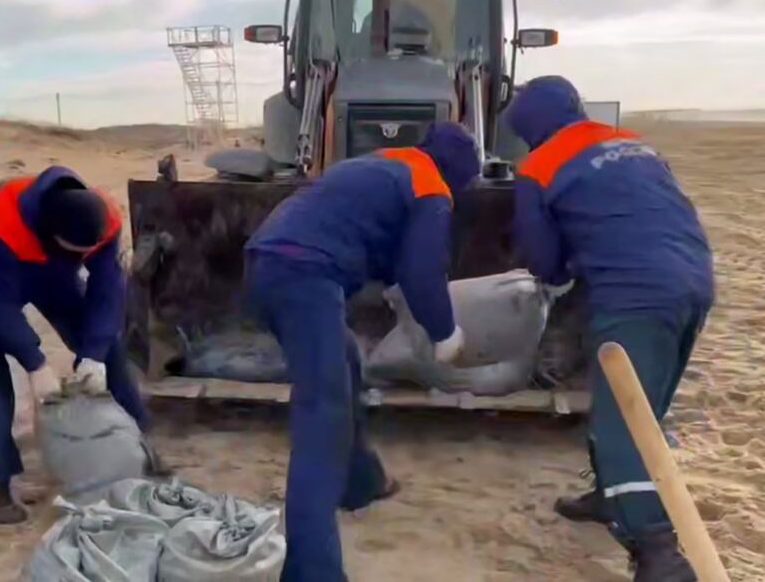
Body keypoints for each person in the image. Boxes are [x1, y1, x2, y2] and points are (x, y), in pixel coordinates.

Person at [244, 122, 479, 582]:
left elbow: (371, 233)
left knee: (347, 361)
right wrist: (444, 331)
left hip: (264, 265)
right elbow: (424, 269)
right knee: (322, 417)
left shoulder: (380, 164)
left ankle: (360, 482)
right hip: (305, 277)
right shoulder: (431, 185)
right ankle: (313, 572)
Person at [507, 76, 714, 582]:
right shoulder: (633, 144)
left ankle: (658, 552)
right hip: (694, 279)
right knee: (645, 406)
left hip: (633, 293)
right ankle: (609, 495)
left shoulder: (539, 166)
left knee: (622, 422)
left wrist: (561, 268)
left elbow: (542, 259)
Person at [0, 165, 147, 524]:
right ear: (47, 233)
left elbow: (107, 291)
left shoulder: (104, 220)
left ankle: (139, 447)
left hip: (53, 274)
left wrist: (94, 353)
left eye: (83, 255)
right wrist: (34, 361)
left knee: (107, 347)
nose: (80, 259)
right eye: (74, 252)